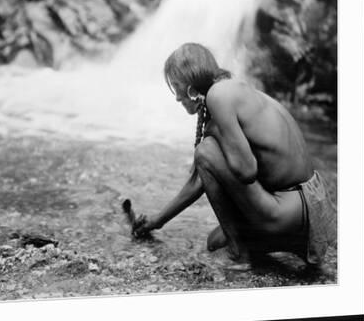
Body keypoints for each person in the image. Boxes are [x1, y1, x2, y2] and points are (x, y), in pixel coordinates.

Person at [133, 42, 331, 266]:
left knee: (206, 150)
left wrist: (214, 135)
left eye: (176, 85)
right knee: (215, 242)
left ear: (190, 86)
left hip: (290, 208)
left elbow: (246, 170)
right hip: (311, 207)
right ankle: (290, 243)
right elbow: (199, 180)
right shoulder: (231, 89)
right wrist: (156, 221)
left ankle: (240, 254)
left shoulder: (218, 96)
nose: (177, 97)